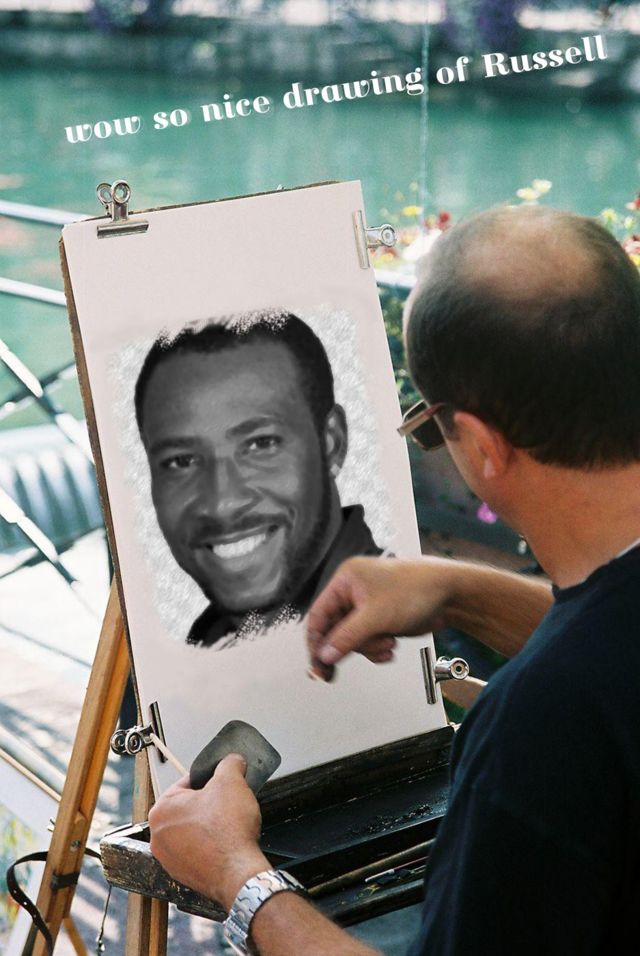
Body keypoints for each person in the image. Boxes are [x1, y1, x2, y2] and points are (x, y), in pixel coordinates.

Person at [148, 204, 640, 955]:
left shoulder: (535, 732)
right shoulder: (581, 686)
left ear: (480, 444)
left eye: (430, 427)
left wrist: (238, 877)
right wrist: (459, 589)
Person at [134, 312, 382, 648]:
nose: (222, 503)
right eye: (181, 461)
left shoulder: (406, 627)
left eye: (260, 444)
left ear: (331, 444)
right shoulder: (204, 644)